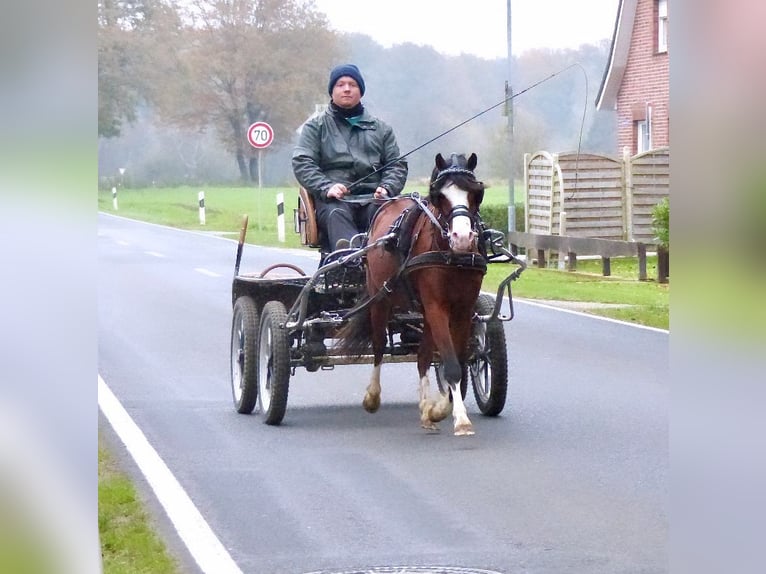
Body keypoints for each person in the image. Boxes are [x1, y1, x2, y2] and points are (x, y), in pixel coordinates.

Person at [292, 63, 408, 251]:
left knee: (389, 217)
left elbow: (397, 166)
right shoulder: (316, 127)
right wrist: (326, 187)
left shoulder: (382, 129)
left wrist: (387, 187)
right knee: (336, 213)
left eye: (352, 84)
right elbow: (302, 162)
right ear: (332, 91)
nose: (346, 89)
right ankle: (349, 260)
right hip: (334, 202)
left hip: (374, 200)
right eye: (340, 84)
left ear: (360, 91)